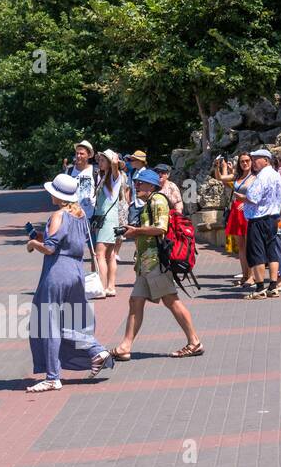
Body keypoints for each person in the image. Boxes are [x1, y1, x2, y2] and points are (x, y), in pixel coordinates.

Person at [25, 174, 114, 391]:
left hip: (57, 271)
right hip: (75, 271)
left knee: (45, 322)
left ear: (57, 194)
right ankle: (95, 350)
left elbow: (51, 247)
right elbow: (72, 240)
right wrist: (41, 235)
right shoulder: (80, 214)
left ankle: (53, 376)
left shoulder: (58, 215)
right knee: (64, 321)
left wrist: (33, 243)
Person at [112, 169, 203, 359]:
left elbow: (160, 228)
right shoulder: (149, 203)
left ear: (151, 186)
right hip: (146, 262)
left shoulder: (157, 201)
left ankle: (194, 342)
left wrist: (136, 231)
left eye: (140, 183)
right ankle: (125, 347)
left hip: (156, 261)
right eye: (136, 183)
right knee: (135, 301)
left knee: (171, 300)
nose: (136, 186)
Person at [237, 148, 281, 299]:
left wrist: (241, 197)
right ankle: (273, 286)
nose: (253, 162)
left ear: (266, 160)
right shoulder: (276, 175)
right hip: (274, 217)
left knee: (256, 252)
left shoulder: (262, 177)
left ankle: (259, 288)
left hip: (259, 219)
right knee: (272, 251)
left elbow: (253, 197)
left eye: (256, 159)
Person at [92, 149, 126, 297]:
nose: (99, 162)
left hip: (106, 219)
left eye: (102, 160)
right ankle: (110, 287)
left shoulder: (113, 176)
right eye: (99, 160)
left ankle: (102, 287)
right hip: (107, 218)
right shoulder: (103, 176)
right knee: (110, 255)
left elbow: (115, 171)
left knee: (99, 254)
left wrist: (114, 164)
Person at [216, 152, 252, 282]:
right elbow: (221, 178)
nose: (245, 163)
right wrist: (217, 166)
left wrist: (247, 201)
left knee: (250, 246)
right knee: (241, 247)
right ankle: (245, 274)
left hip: (249, 211)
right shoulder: (237, 176)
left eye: (247, 160)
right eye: (242, 161)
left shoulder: (255, 176)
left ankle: (252, 276)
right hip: (237, 211)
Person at [63, 140, 97, 222]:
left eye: (81, 153)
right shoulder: (69, 171)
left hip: (89, 217)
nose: (78, 156)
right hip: (72, 216)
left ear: (89, 155)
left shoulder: (95, 171)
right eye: (77, 153)